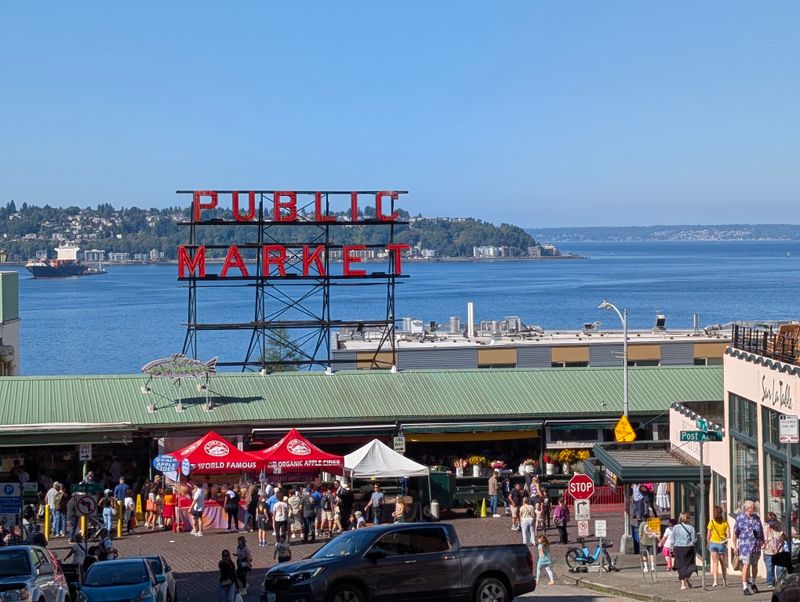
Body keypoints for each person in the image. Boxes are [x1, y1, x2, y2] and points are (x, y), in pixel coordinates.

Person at [732, 500, 764, 595]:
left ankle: (753, 583)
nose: (754, 509)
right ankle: (745, 586)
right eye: (753, 508)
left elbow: (761, 531)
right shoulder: (740, 518)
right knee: (746, 565)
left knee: (755, 565)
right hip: (745, 547)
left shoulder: (756, 518)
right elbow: (735, 534)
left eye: (754, 508)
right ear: (747, 508)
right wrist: (735, 547)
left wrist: (763, 541)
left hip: (756, 546)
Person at [672, 512, 697, 590]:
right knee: (690, 564)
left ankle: (682, 584)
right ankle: (687, 576)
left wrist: (672, 547)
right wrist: (696, 539)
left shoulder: (675, 527)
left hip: (678, 548)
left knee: (680, 565)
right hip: (688, 547)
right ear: (688, 518)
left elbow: (673, 538)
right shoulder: (691, 528)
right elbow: (694, 540)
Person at [707, 505, 729, 587]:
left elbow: (708, 535)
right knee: (723, 563)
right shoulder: (725, 523)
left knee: (715, 563)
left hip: (713, 543)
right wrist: (725, 537)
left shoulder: (711, 522)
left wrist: (708, 543)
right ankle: (724, 580)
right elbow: (729, 535)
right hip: (721, 544)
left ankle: (715, 581)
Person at [763, 511, 787, 588]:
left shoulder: (780, 525)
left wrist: (784, 535)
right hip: (768, 550)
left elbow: (784, 535)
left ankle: (779, 581)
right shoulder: (765, 526)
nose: (772, 524)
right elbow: (761, 536)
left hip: (779, 550)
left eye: (773, 521)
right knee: (769, 567)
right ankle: (770, 582)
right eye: (770, 522)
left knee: (780, 567)